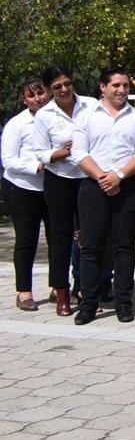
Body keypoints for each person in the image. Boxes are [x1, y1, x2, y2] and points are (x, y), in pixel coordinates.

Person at [70, 66, 135, 325]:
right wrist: (103, 178)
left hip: (126, 186)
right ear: (103, 87)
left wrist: (118, 176)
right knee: (91, 247)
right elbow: (79, 153)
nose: (121, 90)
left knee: (124, 247)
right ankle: (89, 303)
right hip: (93, 186)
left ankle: (124, 303)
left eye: (126, 85)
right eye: (116, 85)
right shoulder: (85, 117)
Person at [31, 66, 96, 309]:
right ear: (49, 91)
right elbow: (41, 153)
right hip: (59, 179)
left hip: (87, 176)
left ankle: (87, 288)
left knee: (89, 235)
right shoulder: (44, 115)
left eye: (67, 83)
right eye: (57, 87)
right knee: (60, 237)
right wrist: (64, 152)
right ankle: (61, 292)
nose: (64, 90)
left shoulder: (91, 105)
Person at [2, 78, 51, 312]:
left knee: (58, 239)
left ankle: (58, 287)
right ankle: (24, 291)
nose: (37, 99)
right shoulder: (17, 124)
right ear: (25, 100)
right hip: (22, 187)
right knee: (26, 239)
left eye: (40, 93)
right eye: (31, 96)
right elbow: (8, 161)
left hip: (53, 188)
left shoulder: (58, 119)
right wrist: (37, 166)